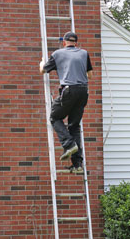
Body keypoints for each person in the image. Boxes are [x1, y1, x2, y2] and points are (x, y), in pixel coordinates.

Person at [39, 31, 93, 173]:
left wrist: (41, 62)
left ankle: (69, 145)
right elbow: (90, 75)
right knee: (74, 126)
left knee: (55, 117)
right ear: (76, 42)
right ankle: (77, 165)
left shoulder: (57, 54)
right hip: (84, 91)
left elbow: (43, 71)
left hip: (69, 91)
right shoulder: (84, 53)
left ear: (64, 42)